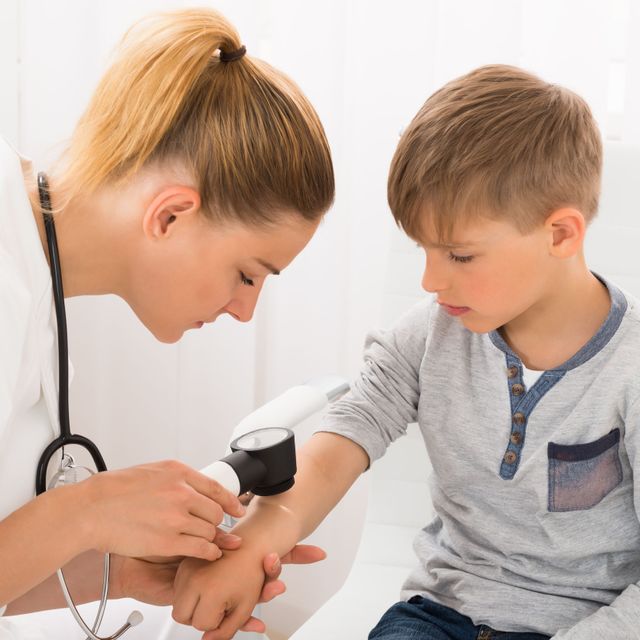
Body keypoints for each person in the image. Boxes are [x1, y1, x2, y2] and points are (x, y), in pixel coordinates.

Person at [168, 64, 640, 640]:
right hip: (440, 616)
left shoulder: (630, 369)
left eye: (459, 256)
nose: (430, 281)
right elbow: (347, 435)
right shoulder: (431, 334)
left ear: (561, 235)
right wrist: (254, 546)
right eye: (422, 249)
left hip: (592, 623)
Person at [0, 6, 334, 636]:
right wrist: (86, 511)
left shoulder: (33, 262)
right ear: (170, 216)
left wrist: (120, 573)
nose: (244, 310)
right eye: (247, 274)